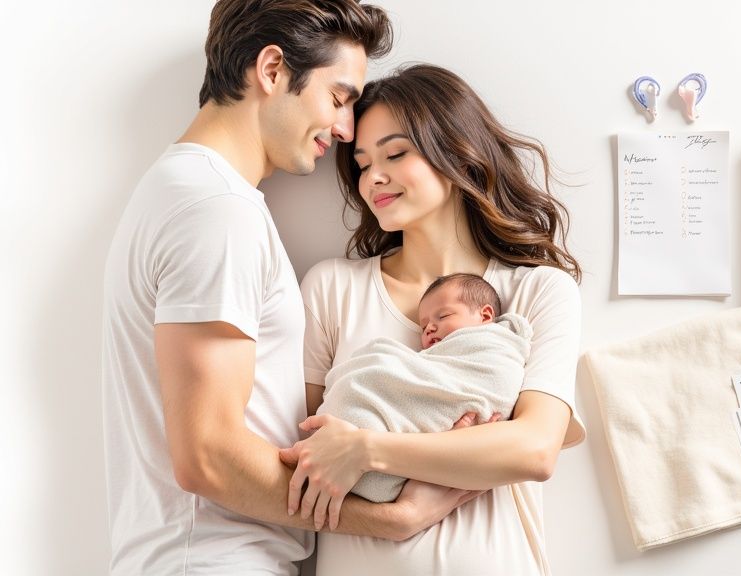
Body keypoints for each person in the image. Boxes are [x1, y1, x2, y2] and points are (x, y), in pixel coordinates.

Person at [101, 3, 476, 575]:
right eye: (339, 98)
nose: (347, 129)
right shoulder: (216, 211)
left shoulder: (191, 193)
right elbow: (209, 457)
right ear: (272, 70)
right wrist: (393, 518)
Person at [283, 63, 587, 575]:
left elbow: (534, 450)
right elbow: (304, 465)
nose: (372, 177)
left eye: (395, 154)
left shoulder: (536, 290)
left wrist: (366, 449)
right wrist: (411, 505)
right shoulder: (332, 289)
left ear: (457, 155)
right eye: (360, 163)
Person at [321, 273, 531, 503]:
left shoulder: (497, 350)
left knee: (378, 365)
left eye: (443, 316)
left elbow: (496, 386)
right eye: (423, 326)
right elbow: (417, 378)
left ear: (486, 315)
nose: (430, 327)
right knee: (375, 366)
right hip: (353, 450)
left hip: (377, 457)